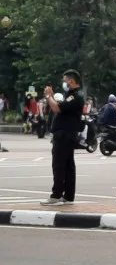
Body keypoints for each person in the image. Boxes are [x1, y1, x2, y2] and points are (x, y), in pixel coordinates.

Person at [41, 69, 84, 206]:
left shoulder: (75, 96)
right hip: (67, 134)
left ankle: (57, 194)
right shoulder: (71, 95)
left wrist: (48, 96)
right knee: (68, 165)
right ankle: (68, 195)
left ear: (71, 81)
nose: (64, 83)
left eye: (65, 81)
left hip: (64, 134)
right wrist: (52, 97)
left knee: (59, 164)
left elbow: (57, 109)